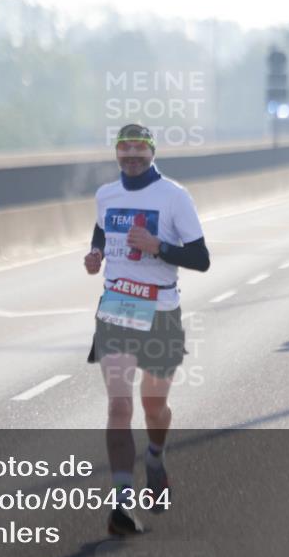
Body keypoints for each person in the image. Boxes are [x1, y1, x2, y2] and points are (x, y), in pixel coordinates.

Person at [84, 123, 211, 536]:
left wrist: (159, 247)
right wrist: (97, 251)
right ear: (117, 153)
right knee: (119, 408)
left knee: (153, 407)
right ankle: (122, 503)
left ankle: (155, 456)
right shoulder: (106, 194)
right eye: (126, 149)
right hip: (118, 305)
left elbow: (201, 257)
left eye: (140, 149)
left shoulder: (174, 196)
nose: (132, 156)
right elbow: (104, 226)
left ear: (152, 153)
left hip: (161, 310)